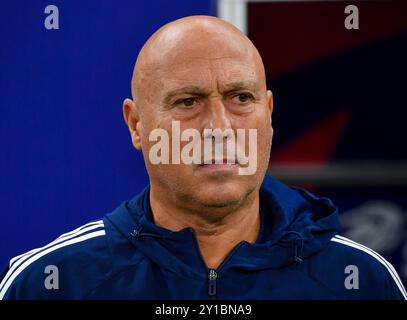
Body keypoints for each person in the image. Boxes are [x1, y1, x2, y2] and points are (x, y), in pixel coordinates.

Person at [1, 15, 405, 300]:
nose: (219, 127)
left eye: (241, 98)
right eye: (188, 101)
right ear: (136, 124)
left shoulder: (365, 282)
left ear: (268, 113)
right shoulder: (48, 284)